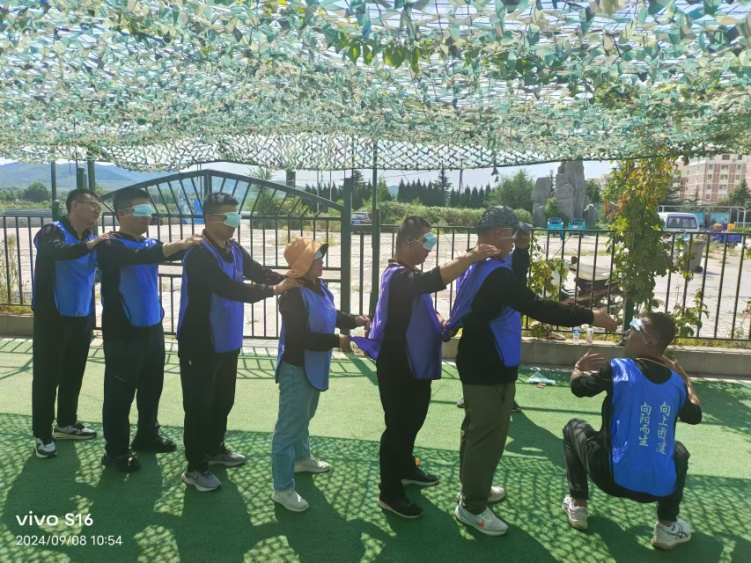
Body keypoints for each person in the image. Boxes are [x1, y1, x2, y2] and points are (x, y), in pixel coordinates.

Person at [445, 206, 617, 536]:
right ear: (498, 234)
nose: (514, 240)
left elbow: (514, 283)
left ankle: (472, 488)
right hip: (489, 363)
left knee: (476, 428)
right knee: (487, 435)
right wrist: (590, 315)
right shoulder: (495, 275)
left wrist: (522, 251)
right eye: (512, 235)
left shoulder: (480, 263)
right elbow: (536, 305)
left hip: (479, 357)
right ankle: (472, 506)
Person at [353, 216, 500, 519]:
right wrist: (471, 256)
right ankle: (389, 492)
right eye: (428, 242)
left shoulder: (407, 275)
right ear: (409, 243)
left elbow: (418, 306)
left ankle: (406, 468)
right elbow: (432, 281)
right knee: (398, 428)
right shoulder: (397, 276)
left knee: (413, 420)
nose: (430, 249)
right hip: (398, 365)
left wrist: (438, 320)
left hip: (415, 364)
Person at [177, 192, 299, 492]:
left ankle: (214, 448)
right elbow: (229, 288)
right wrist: (274, 290)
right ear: (209, 218)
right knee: (199, 406)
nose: (235, 222)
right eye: (229, 216)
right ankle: (195, 467)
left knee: (223, 400)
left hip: (227, 339)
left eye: (236, 215)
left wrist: (290, 279)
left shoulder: (233, 247)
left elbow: (257, 271)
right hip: (200, 343)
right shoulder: (198, 252)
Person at [562, 312, 701, 550]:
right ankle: (666, 526)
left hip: (607, 476)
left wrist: (578, 368)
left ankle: (578, 506)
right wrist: (686, 381)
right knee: (678, 452)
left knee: (573, 427)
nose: (627, 332)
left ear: (650, 340)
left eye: (634, 327)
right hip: (654, 489)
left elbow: (578, 388)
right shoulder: (676, 383)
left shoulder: (617, 368)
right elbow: (695, 415)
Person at [97, 187, 203, 472]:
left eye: (149, 211)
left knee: (151, 387)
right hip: (123, 332)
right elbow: (140, 255)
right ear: (122, 213)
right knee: (119, 394)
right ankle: (116, 451)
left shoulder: (148, 243)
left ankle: (147, 435)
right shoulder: (109, 245)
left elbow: (162, 253)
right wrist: (179, 244)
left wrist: (199, 245)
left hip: (152, 328)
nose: (148, 216)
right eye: (141, 211)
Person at [271, 238, 370, 512]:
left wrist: (353, 320)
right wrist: (337, 341)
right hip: (296, 368)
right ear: (302, 263)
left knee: (304, 416)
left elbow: (330, 313)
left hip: (313, 366)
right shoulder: (291, 294)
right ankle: (282, 488)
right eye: (316, 257)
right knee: (287, 429)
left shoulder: (318, 286)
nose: (321, 261)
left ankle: (301, 459)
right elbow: (300, 338)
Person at [31, 189, 112, 459]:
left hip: (82, 316)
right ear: (75, 205)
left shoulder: (90, 237)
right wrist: (91, 246)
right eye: (93, 206)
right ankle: (42, 433)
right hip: (52, 317)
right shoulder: (51, 231)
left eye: (99, 208)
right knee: (47, 376)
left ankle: (66, 423)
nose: (97, 212)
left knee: (73, 373)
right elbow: (58, 252)